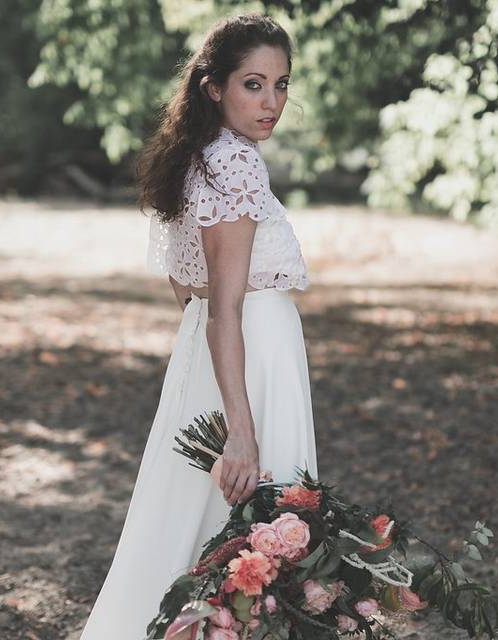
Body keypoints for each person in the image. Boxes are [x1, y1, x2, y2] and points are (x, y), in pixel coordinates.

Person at [78, 14, 319, 640]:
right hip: (248, 359)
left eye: (281, 85)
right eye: (254, 84)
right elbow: (226, 309)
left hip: (210, 360)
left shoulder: (196, 160)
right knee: (254, 526)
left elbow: (188, 291)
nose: (272, 103)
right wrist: (242, 430)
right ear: (214, 87)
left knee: (192, 524)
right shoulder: (235, 166)